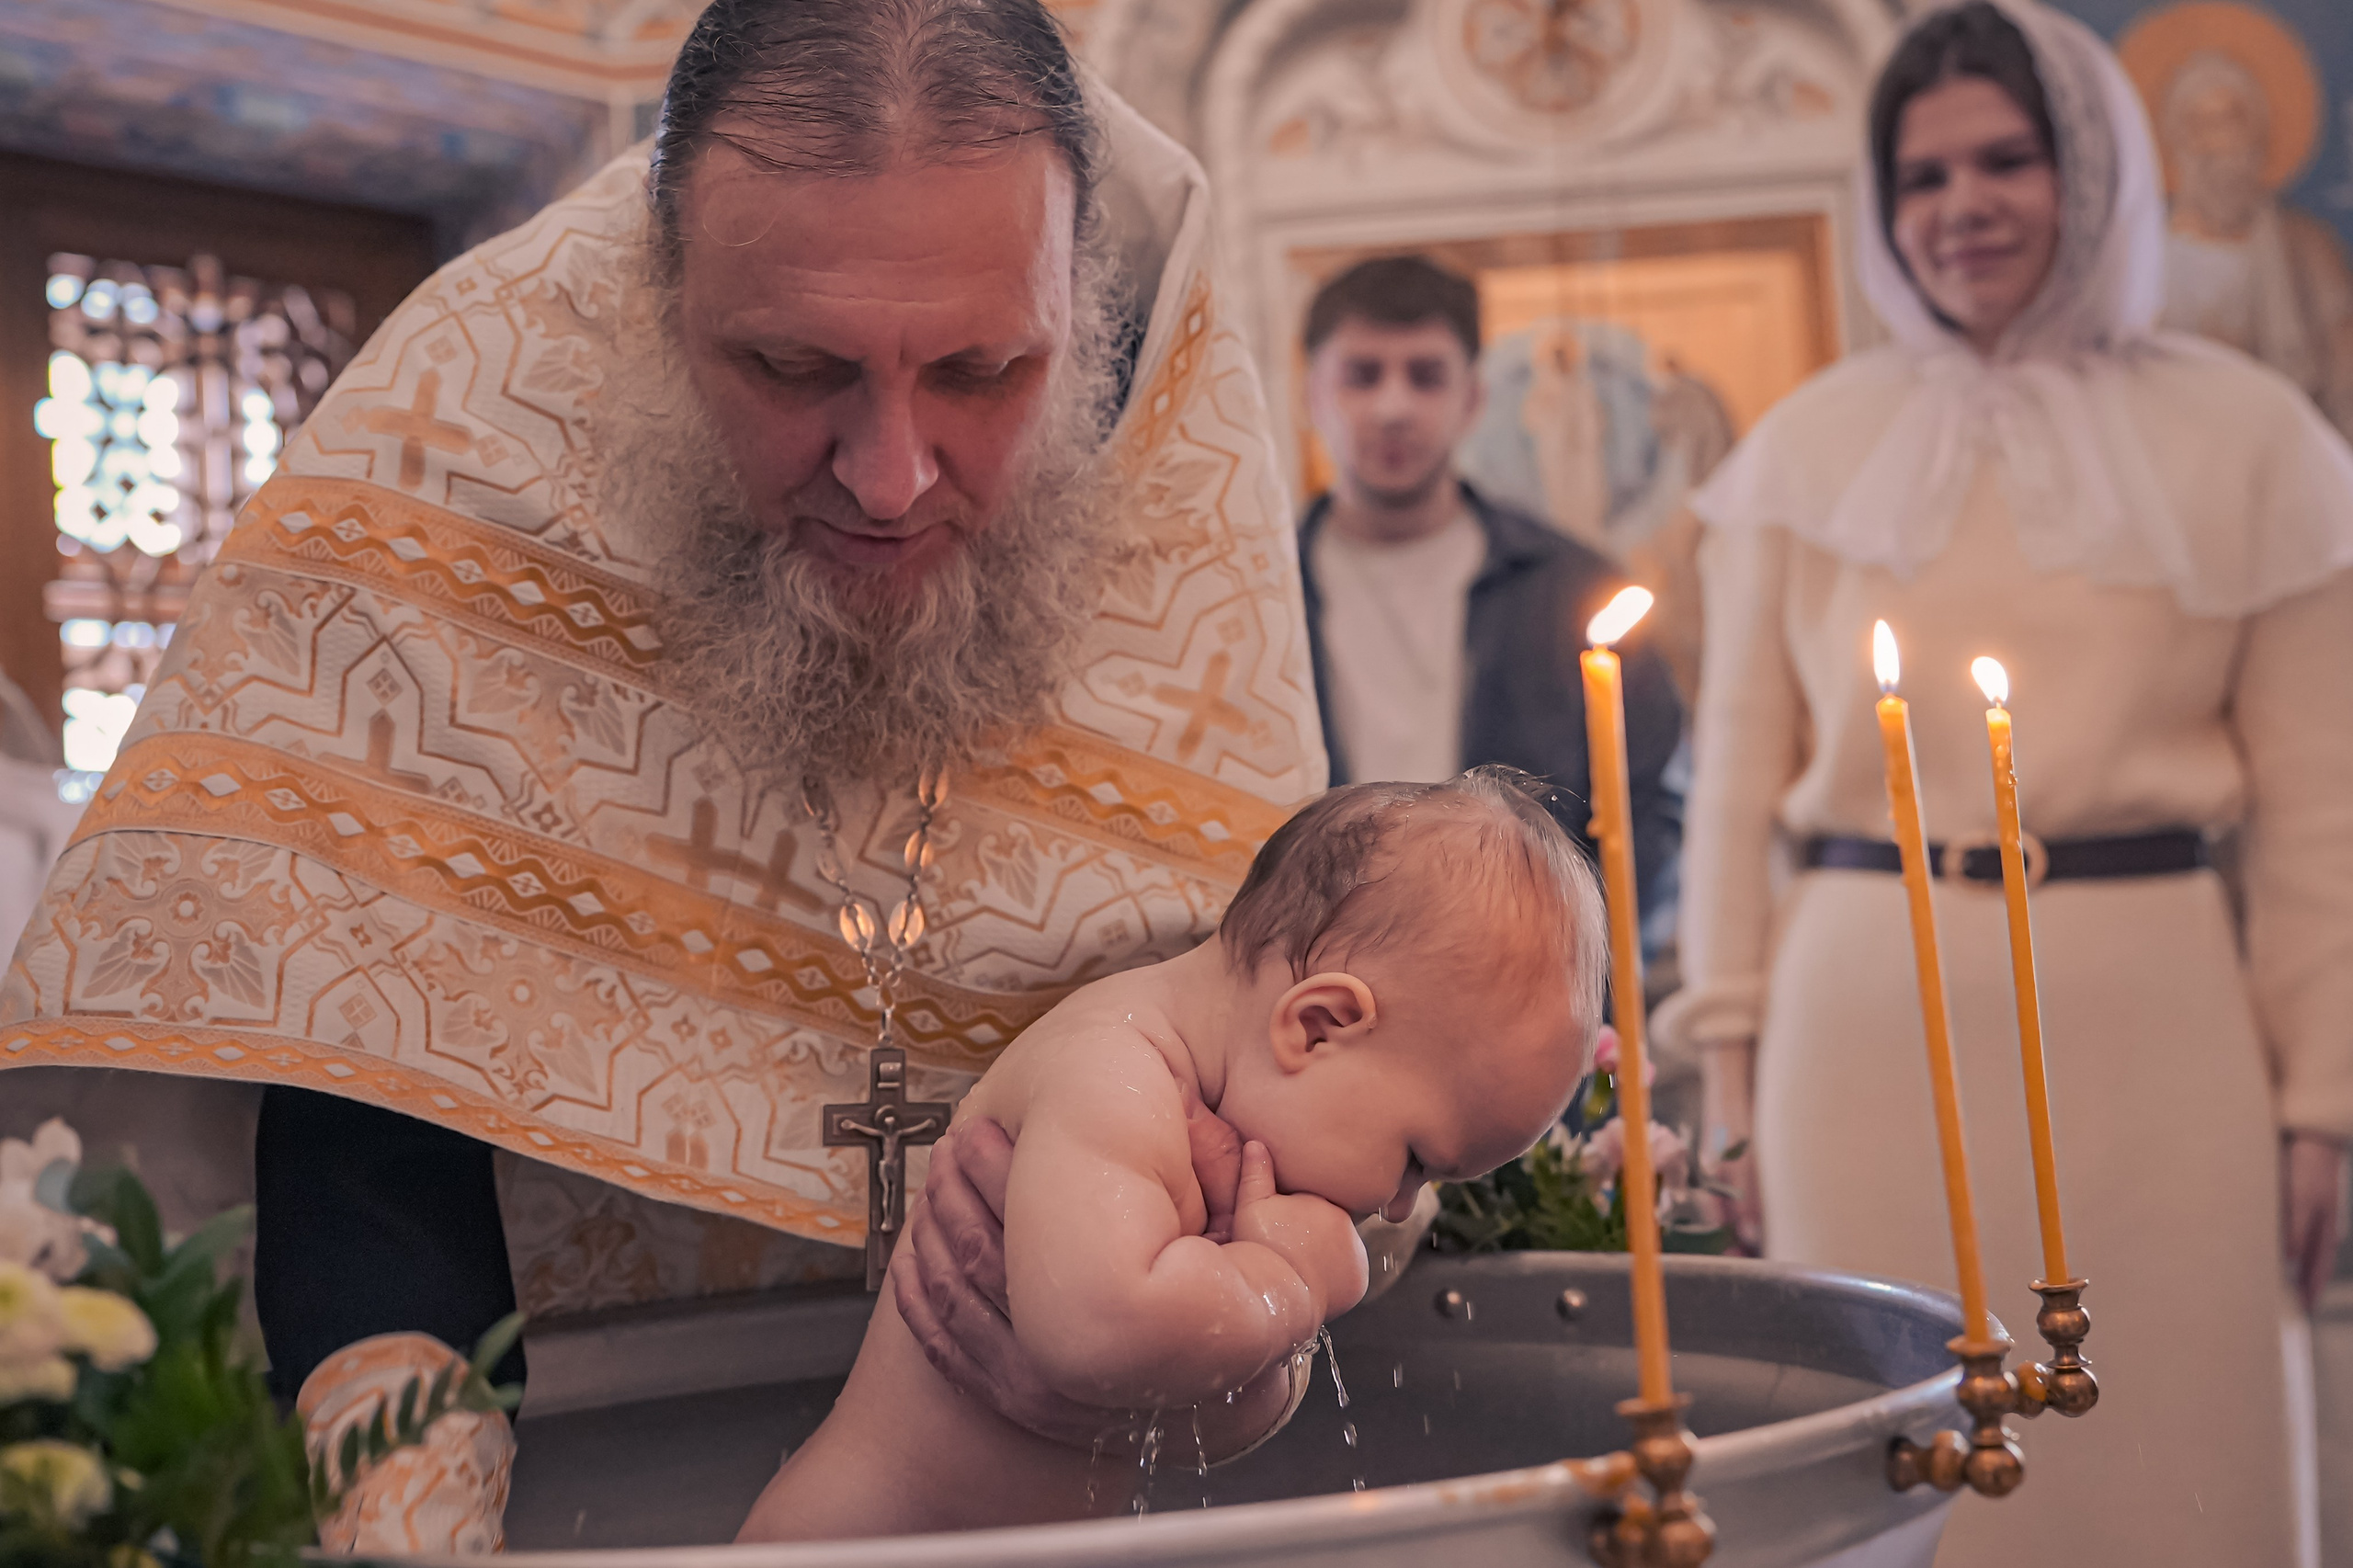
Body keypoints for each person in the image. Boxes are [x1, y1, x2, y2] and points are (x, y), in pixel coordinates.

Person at [0, 0, 1327, 1550]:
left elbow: (1285, 1030)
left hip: (1078, 1477)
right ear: (656, 293)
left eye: (984, 370)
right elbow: (364, 1077)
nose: (891, 475)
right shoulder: (457, 445)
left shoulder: (1173, 464)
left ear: (1077, 312)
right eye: (793, 366)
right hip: (581, 1476)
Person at [1662, 2, 2353, 1562]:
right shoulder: (1804, 447)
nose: (1959, 206)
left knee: (2178, 1441)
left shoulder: (2257, 440)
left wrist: (2326, 1099)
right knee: (1889, 1462)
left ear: (2096, 172)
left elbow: (2325, 816)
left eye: (2005, 161)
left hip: (2159, 1015)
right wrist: (1732, 1076)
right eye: (1922, 177)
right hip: (1861, 1020)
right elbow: (1738, 791)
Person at [740, 768, 1600, 1540]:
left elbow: (1192, 1408)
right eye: (1416, 1159)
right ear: (1317, 1025)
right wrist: (1288, 1282)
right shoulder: (1111, 1071)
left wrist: (1274, 1333)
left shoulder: (1219, 1115)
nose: (1401, 1206)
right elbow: (1099, 1335)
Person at [1292, 256, 1681, 915]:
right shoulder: (1258, 594)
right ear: (1312, 396)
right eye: (1362, 375)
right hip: (1312, 955)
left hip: (1532, 962)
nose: (1393, 407)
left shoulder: (1572, 588)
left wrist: (1587, 956)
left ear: (1472, 398)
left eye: (1426, 376)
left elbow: (1649, 804)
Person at [2154, 49, 2353, 440]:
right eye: (2200, 124)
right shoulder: (2145, 250)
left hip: (2291, 447)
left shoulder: (2307, 247)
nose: (2218, 144)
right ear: (2176, 138)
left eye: (2232, 120)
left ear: (2258, 135)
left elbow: (2344, 364)